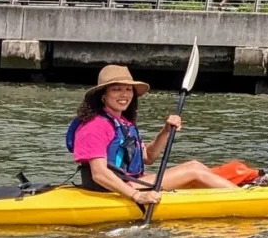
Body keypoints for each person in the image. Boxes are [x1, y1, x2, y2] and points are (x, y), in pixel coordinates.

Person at [65, 63, 235, 209]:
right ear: (103, 95)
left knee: (194, 165)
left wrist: (166, 131)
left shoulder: (121, 122)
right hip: (111, 189)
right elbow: (99, 174)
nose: (124, 95)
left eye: (128, 89)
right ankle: (246, 197)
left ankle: (240, 190)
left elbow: (148, 157)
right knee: (193, 172)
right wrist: (136, 196)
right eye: (116, 89)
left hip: (130, 182)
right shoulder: (94, 125)